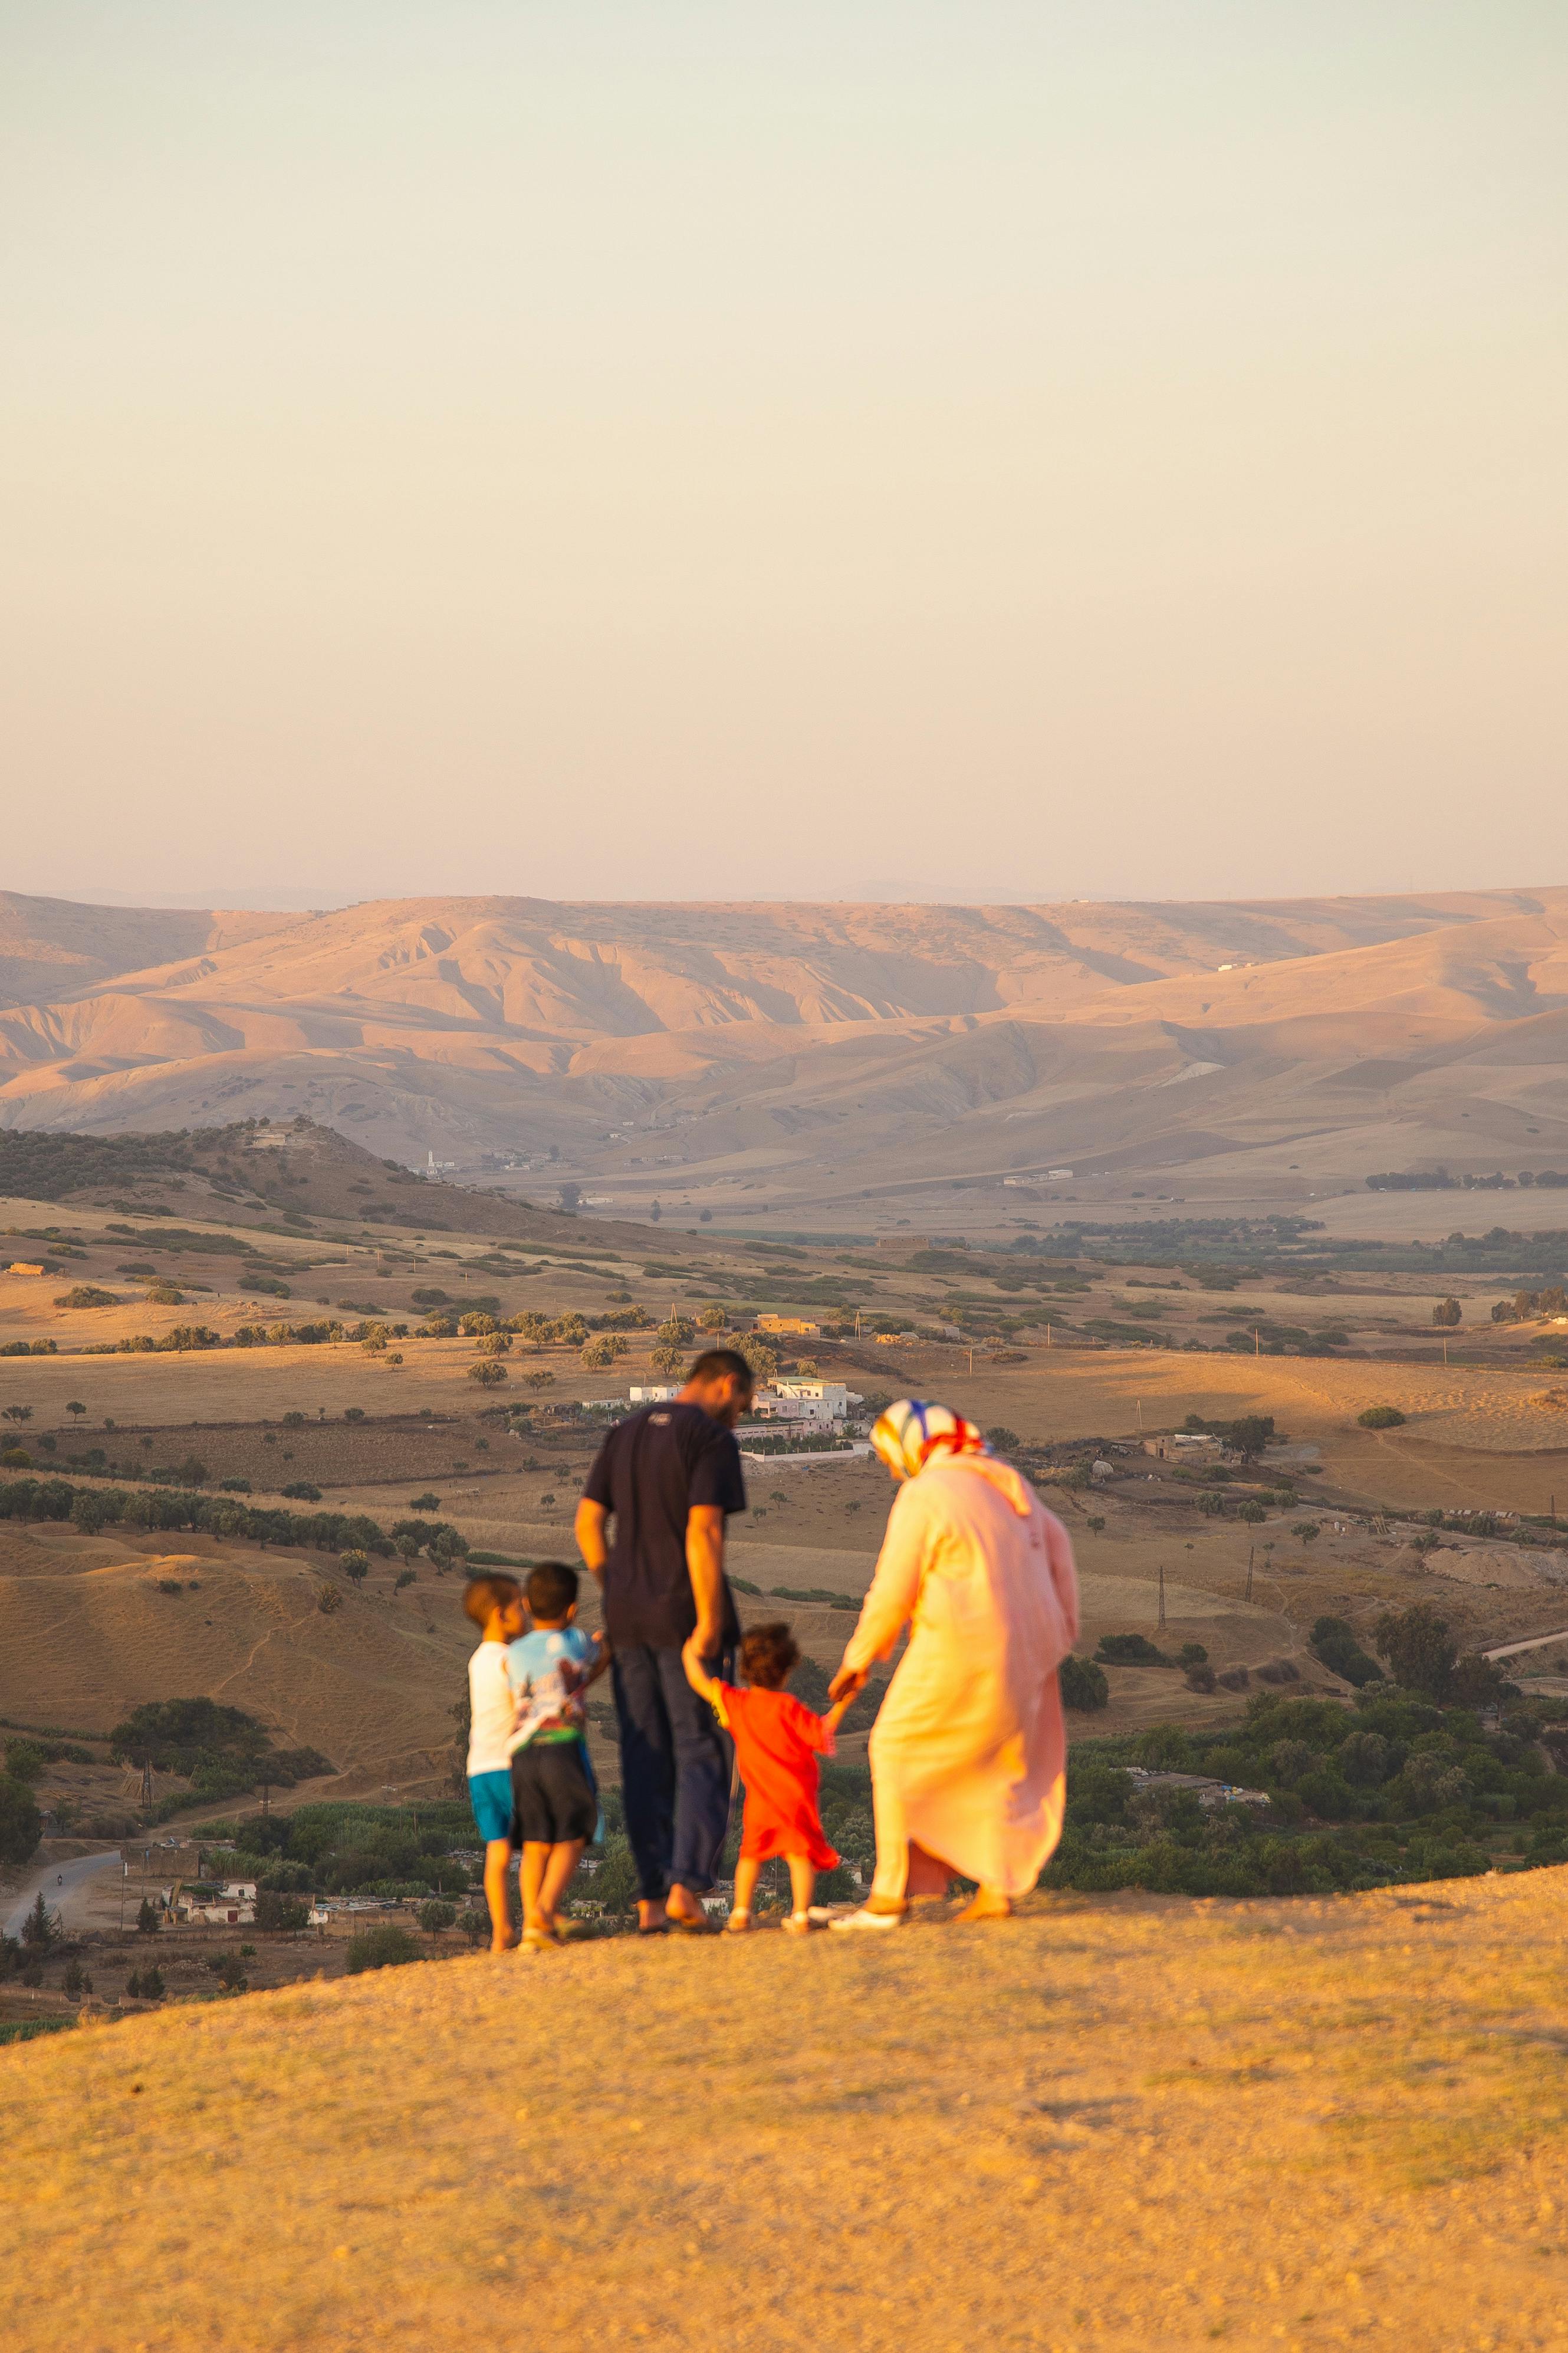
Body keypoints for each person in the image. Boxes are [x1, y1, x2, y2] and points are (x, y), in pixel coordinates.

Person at [828, 1400, 1080, 1932]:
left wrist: (859, 1658)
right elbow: (1059, 1545)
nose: (892, 1468)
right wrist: (1058, 1636)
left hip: (961, 1642)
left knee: (892, 1747)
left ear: (910, 1443)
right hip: (1030, 1650)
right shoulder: (1007, 1480)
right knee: (1000, 1761)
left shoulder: (927, 1492)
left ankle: (887, 1896)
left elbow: (892, 1590)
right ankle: (994, 1891)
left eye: (890, 1456)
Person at [576, 1348, 752, 1934]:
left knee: (642, 1754)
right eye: (743, 1406)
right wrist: (706, 1621)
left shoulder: (623, 1432)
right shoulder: (709, 1439)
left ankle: (650, 1901)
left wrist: (618, 1587)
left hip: (628, 1619)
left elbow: (586, 1523)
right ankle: (684, 1887)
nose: (739, 1419)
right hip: (685, 1620)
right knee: (701, 1750)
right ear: (726, 1384)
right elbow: (703, 1530)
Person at [682, 1620, 854, 1935]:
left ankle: (740, 1913)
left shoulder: (737, 1703)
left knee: (750, 1854)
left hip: (759, 1797)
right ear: (787, 1670)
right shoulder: (789, 1707)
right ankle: (801, 1915)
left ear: (745, 1668)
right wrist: (846, 1699)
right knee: (798, 1854)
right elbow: (823, 1731)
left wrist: (688, 1652)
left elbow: (700, 1682)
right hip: (794, 1796)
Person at [505, 1560, 609, 1949]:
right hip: (562, 1749)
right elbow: (589, 1667)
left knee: (535, 1841)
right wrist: (607, 1648)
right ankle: (544, 1910)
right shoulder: (577, 1640)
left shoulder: (512, 1653)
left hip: (522, 1754)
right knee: (574, 1833)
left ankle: (533, 1926)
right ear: (571, 1610)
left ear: (527, 1604)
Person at [462, 1573, 528, 1953]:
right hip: (509, 1764)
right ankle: (537, 1918)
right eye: (520, 1607)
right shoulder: (510, 1659)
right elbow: (525, 1703)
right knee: (537, 1844)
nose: (526, 1613)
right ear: (501, 1614)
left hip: (479, 1768)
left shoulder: (477, 1660)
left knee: (497, 1851)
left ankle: (501, 1930)